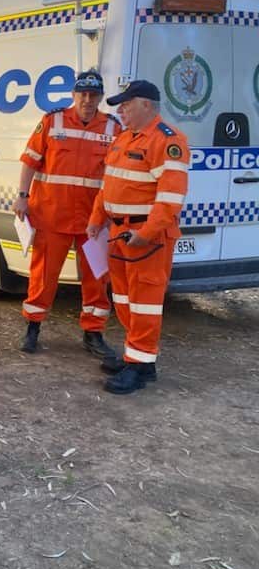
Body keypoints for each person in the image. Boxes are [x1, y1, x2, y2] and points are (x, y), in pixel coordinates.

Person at [87, 80, 188, 395]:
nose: (120, 111)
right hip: (118, 234)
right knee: (125, 300)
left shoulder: (168, 141)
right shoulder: (123, 138)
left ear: (146, 104)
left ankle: (138, 367)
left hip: (146, 238)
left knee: (144, 303)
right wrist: (96, 219)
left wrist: (146, 234)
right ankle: (140, 358)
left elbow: (170, 199)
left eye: (126, 105)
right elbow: (109, 184)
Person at [14, 71, 121, 356]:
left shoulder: (113, 128)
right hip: (51, 214)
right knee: (43, 275)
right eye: (82, 94)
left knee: (97, 279)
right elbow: (30, 162)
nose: (88, 100)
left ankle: (93, 334)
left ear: (100, 97)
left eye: (93, 95)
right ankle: (33, 328)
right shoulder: (53, 121)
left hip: (94, 221)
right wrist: (22, 197)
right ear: (74, 95)